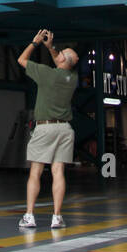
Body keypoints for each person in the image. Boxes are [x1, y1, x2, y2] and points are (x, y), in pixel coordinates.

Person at [17, 29, 79, 230]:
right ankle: (57, 217)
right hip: (65, 130)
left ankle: (29, 216)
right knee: (58, 171)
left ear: (62, 60)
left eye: (61, 52)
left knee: (36, 171)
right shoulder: (72, 78)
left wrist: (35, 43)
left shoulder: (46, 74)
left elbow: (21, 59)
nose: (58, 53)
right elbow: (61, 61)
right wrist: (51, 47)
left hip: (45, 128)